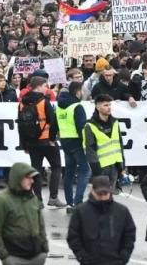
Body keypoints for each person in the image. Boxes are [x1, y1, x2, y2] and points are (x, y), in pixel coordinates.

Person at [17, 76, 66, 208]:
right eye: (45, 86)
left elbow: (20, 126)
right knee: (56, 167)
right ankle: (53, 197)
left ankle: (38, 200)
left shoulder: (22, 103)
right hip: (46, 140)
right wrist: (52, 139)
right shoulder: (43, 101)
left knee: (36, 169)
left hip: (32, 142)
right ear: (38, 87)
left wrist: (24, 144)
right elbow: (53, 122)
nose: (47, 89)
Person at [66, 175, 136, 265]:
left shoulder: (122, 211)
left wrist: (123, 257)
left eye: (105, 194)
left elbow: (129, 235)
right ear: (92, 191)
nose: (103, 197)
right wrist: (82, 257)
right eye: (99, 194)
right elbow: (73, 236)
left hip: (115, 261)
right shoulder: (81, 211)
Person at [0, 162, 48, 265]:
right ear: (18, 178)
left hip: (37, 256)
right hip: (14, 257)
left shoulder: (32, 199)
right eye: (28, 178)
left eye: (33, 178)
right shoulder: (2, 200)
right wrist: (4, 256)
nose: (32, 181)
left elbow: (40, 225)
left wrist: (44, 248)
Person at [56, 81, 90, 213]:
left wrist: (54, 137)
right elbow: (81, 127)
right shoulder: (77, 106)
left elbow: (55, 123)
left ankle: (70, 203)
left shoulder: (60, 107)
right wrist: (86, 143)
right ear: (78, 91)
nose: (83, 93)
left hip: (65, 141)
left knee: (69, 173)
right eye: (82, 91)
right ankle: (78, 202)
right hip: (77, 141)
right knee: (84, 171)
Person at [83, 94, 125, 189]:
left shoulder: (114, 122)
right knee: (101, 196)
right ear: (98, 107)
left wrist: (122, 166)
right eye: (105, 105)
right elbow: (89, 149)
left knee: (110, 197)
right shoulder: (90, 125)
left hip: (115, 165)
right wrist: (96, 169)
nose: (109, 107)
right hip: (101, 167)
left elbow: (120, 144)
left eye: (109, 105)